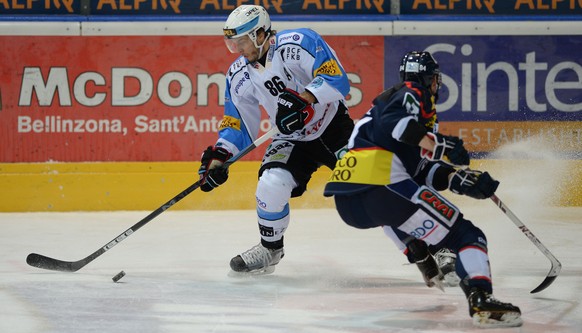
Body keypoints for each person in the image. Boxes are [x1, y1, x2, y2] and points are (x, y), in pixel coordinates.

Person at [323, 51, 522, 328]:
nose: (436, 85)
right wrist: (443, 145)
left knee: (399, 209)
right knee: (467, 236)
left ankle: (418, 250)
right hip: (382, 185)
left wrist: (457, 179)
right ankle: (481, 299)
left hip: (349, 201)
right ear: (429, 79)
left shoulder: (393, 110)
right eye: (435, 79)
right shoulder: (412, 92)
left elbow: (419, 171)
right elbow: (396, 125)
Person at [198, 5, 354, 274]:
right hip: (290, 138)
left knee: (376, 182)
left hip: (332, 126)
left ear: (260, 34)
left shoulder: (300, 42)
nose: (238, 50)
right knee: (270, 184)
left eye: (242, 42)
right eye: (233, 44)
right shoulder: (238, 75)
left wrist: (305, 99)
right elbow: (238, 124)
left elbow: (337, 79)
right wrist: (220, 155)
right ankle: (271, 249)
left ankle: (434, 242)